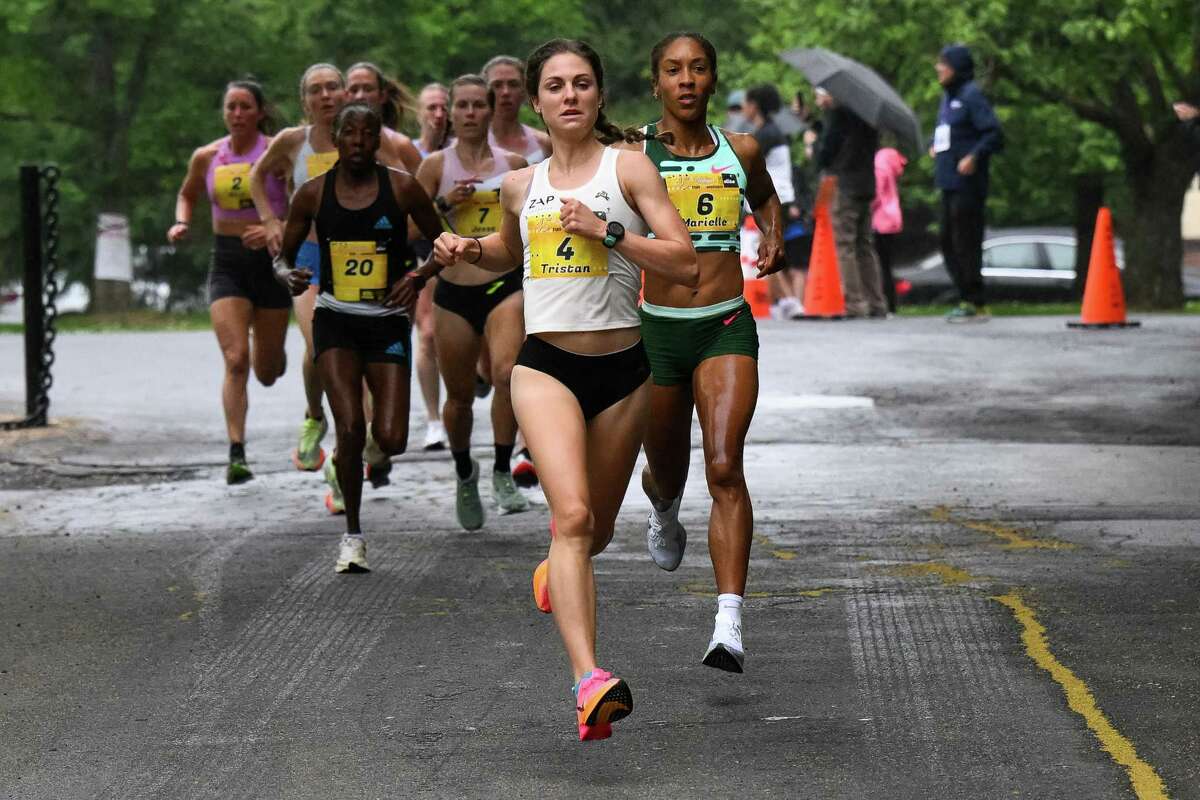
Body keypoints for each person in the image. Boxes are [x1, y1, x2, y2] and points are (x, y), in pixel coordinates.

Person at [433, 38, 698, 741]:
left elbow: (685, 266)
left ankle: (557, 568)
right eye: (556, 86)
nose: (570, 95)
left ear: (600, 95)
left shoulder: (631, 170)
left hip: (624, 372)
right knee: (573, 518)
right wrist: (464, 251)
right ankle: (589, 682)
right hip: (544, 365)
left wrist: (608, 230)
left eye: (583, 83)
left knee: (596, 531)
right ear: (537, 100)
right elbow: (504, 252)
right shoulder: (521, 184)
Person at [631, 32, 784, 673]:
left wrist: (771, 234)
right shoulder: (632, 156)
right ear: (657, 82)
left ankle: (729, 625)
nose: (686, 80)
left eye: (698, 69)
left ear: (714, 80)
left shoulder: (740, 150)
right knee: (666, 470)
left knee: (724, 467)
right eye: (674, 70)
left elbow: (767, 199)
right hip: (655, 333)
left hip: (724, 326)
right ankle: (665, 513)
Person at [275, 103, 445, 572]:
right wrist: (288, 276)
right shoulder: (312, 194)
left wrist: (417, 276)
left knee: (390, 438)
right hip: (335, 320)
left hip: (386, 321)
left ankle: (362, 454)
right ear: (336, 137)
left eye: (366, 134)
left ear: (376, 141)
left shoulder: (402, 187)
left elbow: (444, 242)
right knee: (349, 425)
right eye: (348, 133)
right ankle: (352, 536)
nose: (357, 141)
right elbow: (281, 258)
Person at [415, 75, 530, 529]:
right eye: (460, 106)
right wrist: (444, 203)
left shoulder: (515, 163)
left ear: (490, 109)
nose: (468, 113)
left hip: (504, 283)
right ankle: (465, 472)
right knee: (459, 396)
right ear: (450, 113)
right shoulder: (434, 166)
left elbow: (529, 221)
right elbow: (412, 229)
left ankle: (503, 468)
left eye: (476, 105)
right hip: (453, 290)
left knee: (506, 375)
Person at [168, 80, 290, 485]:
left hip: (270, 262)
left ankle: (270, 350)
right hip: (227, 262)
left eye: (244, 107)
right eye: (230, 107)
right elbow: (187, 194)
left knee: (267, 370)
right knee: (236, 359)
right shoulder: (208, 156)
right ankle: (236, 451)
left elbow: (302, 201)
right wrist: (183, 221)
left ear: (259, 112)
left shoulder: (277, 153)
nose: (236, 114)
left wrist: (279, 227)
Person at [250, 63, 346, 473]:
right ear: (304, 100)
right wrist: (271, 220)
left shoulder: (362, 136)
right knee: (319, 347)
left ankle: (346, 452)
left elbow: (405, 174)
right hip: (308, 259)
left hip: (357, 260)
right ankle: (314, 415)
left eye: (332, 88)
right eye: (315, 90)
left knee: (351, 355)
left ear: (345, 93)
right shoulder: (293, 141)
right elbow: (258, 177)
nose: (325, 96)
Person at [933, 44, 1003, 323]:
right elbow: (947, 132)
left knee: (966, 241)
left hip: (968, 184)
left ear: (958, 69)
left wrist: (974, 156)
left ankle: (975, 300)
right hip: (948, 181)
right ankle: (966, 296)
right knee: (947, 241)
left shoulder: (972, 96)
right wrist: (933, 145)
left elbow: (994, 134)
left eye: (944, 64)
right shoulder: (948, 99)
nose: (938, 68)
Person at [815, 86, 887, 318]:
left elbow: (827, 151)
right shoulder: (868, 117)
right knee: (865, 244)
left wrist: (814, 144)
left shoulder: (839, 115)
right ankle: (876, 302)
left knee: (845, 245)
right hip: (866, 183)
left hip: (844, 184)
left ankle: (855, 302)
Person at [413, 83, 451, 449]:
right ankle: (433, 421)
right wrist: (444, 202)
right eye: (431, 108)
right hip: (422, 248)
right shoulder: (407, 152)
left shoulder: (466, 151)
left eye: (443, 107)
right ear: (418, 112)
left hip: (466, 247)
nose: (438, 114)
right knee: (426, 334)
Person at [743, 84, 801, 319]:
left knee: (767, 251)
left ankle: (790, 301)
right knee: (769, 248)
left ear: (754, 106)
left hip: (771, 199)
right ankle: (779, 301)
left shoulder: (766, 134)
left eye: (746, 103)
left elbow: (746, 161)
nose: (744, 108)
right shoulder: (769, 131)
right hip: (776, 197)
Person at [345, 62, 422, 173]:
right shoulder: (335, 142)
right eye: (354, 90)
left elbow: (422, 189)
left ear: (382, 96)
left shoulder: (400, 145)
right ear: (345, 96)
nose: (360, 96)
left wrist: (391, 161)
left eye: (368, 89)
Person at [482, 55, 552, 164]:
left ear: (524, 90)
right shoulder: (471, 146)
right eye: (497, 85)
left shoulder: (545, 143)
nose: (505, 92)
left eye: (513, 84)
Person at [872, 147, 907, 313]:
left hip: (881, 220)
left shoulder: (880, 165)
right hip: (893, 218)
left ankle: (885, 302)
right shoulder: (893, 163)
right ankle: (892, 304)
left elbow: (876, 194)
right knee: (887, 264)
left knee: (880, 265)